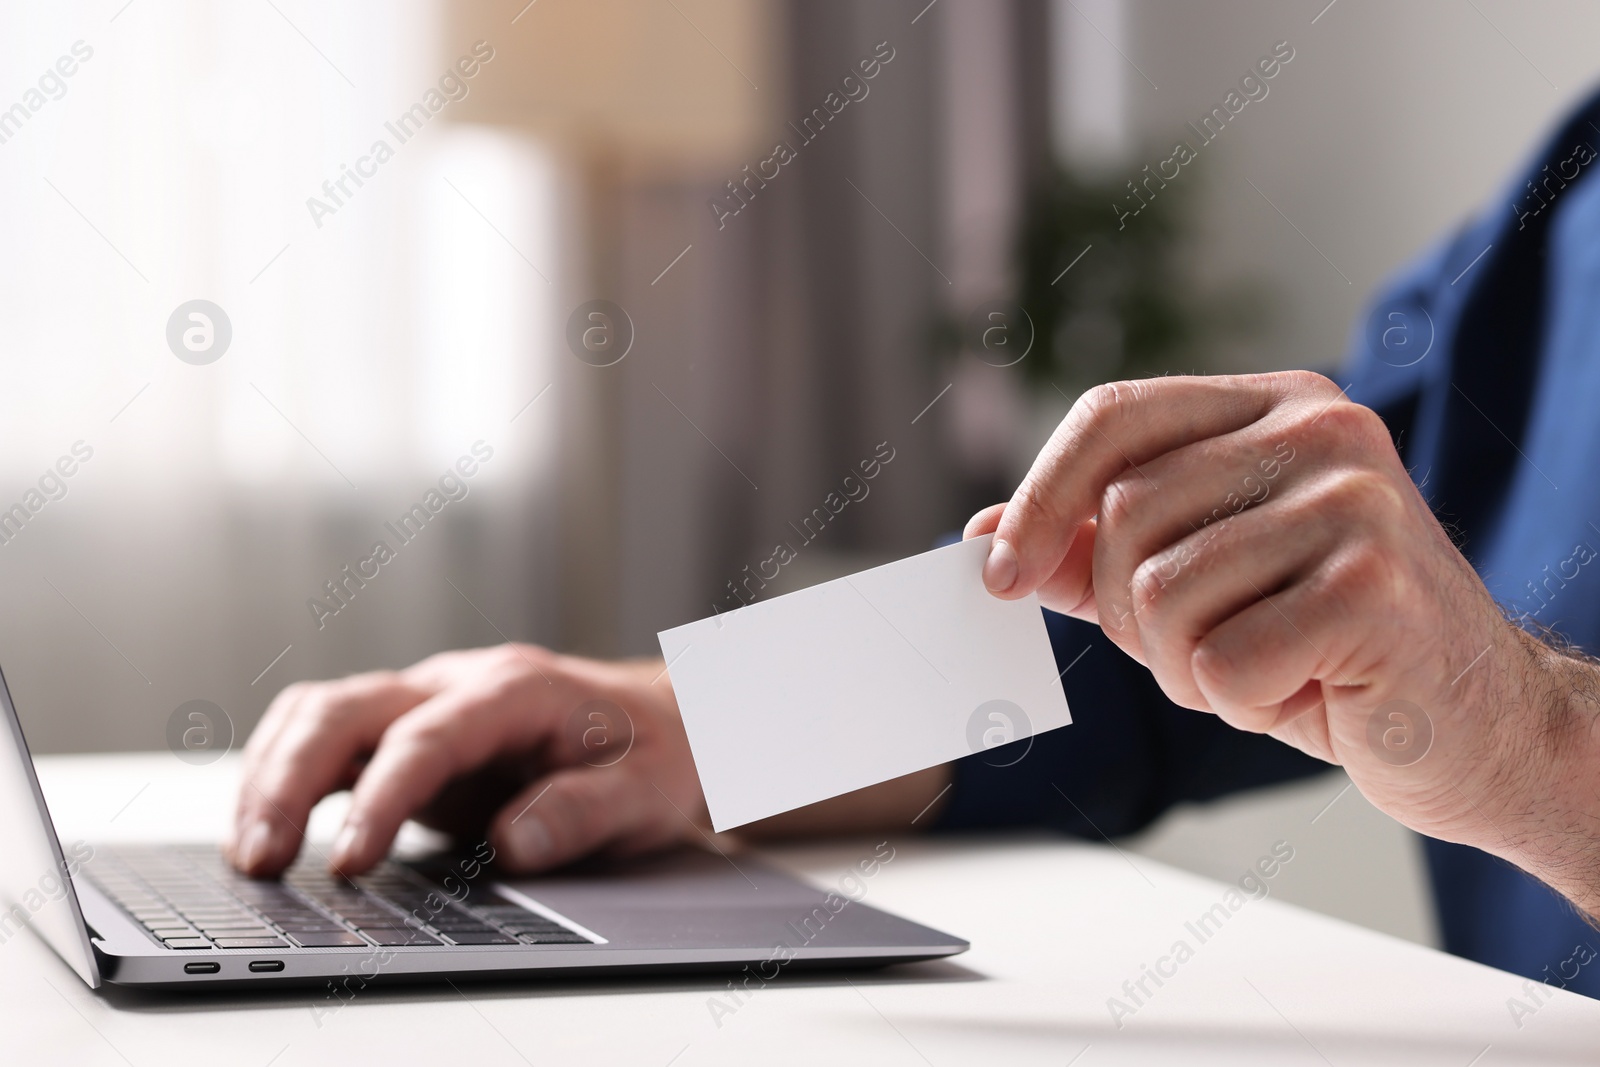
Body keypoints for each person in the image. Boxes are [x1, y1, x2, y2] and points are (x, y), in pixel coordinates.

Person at [230, 89, 1600, 998]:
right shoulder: (1572, 192)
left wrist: (1535, 746)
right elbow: (1164, 649)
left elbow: (1471, 686)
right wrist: (690, 722)